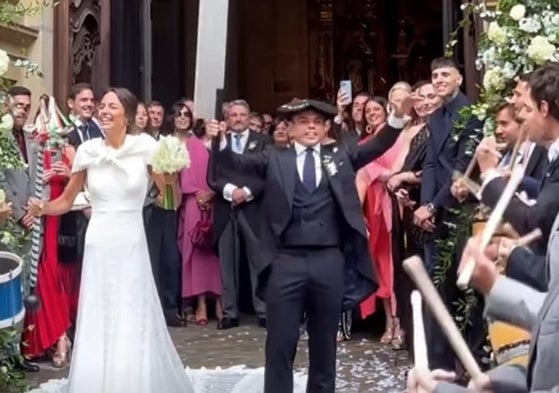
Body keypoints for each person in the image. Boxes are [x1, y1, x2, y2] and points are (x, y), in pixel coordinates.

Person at [210, 94, 420, 393]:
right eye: (304, 123)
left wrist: (398, 116)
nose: (311, 128)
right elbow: (236, 163)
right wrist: (220, 140)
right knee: (280, 345)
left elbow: (378, 145)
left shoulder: (340, 155)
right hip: (286, 261)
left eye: (317, 123)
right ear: (290, 129)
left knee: (325, 347)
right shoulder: (273, 157)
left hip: (328, 261)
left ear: (325, 129)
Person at [27, 88, 193, 393]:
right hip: (98, 242)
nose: (103, 111)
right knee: (99, 312)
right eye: (101, 106)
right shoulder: (88, 150)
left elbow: (170, 201)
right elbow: (66, 200)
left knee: (130, 311)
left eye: (110, 107)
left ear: (127, 116)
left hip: (130, 241)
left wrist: (169, 175)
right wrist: (41, 208)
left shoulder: (145, 147)